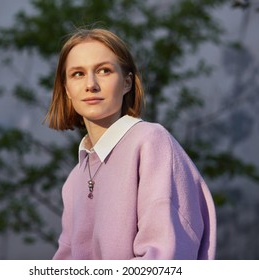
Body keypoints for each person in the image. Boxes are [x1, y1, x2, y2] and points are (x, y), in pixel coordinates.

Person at [45, 28, 216, 260]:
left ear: (126, 83)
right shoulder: (75, 179)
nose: (91, 84)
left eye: (104, 71)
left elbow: (165, 256)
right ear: (66, 90)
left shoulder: (151, 142)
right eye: (78, 74)